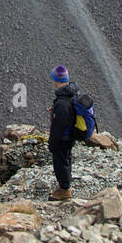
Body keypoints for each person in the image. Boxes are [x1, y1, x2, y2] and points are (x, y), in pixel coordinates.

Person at [47, 64, 78, 201]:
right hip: (71, 134)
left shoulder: (62, 103)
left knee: (60, 162)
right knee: (67, 159)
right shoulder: (71, 93)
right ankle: (66, 185)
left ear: (56, 79)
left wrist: (52, 143)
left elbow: (58, 127)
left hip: (63, 138)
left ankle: (64, 190)